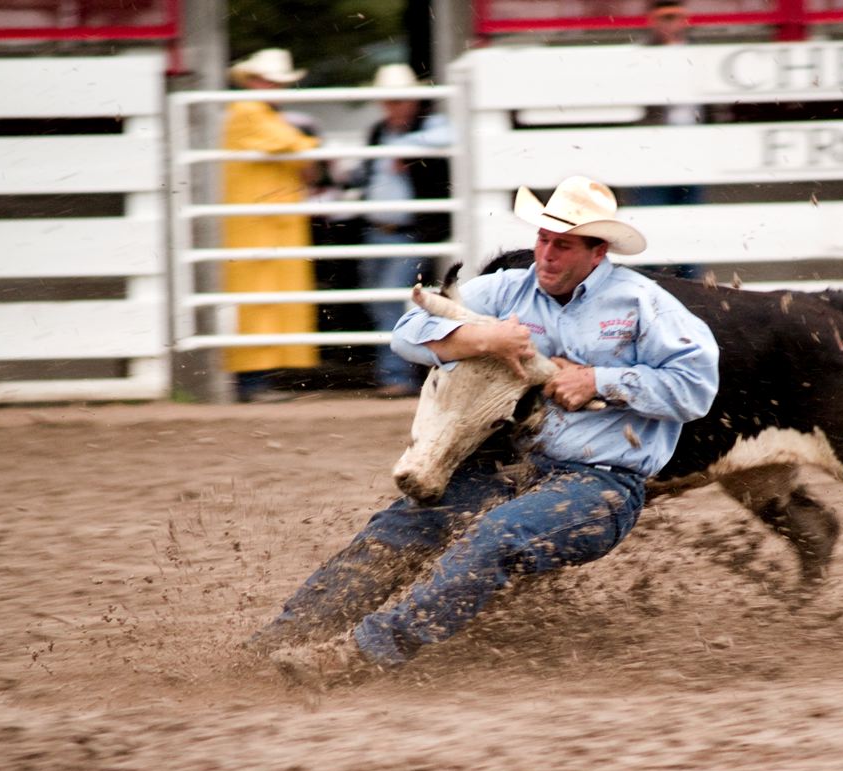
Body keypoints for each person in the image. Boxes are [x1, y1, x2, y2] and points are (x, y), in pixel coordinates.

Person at [255, 175, 721, 686]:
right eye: (543, 238)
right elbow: (408, 334)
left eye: (562, 244)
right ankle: (274, 646)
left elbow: (696, 388)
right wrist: (483, 337)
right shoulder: (507, 290)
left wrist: (598, 380)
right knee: (396, 532)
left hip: (601, 483)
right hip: (511, 466)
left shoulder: (641, 304)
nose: (545, 253)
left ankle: (358, 657)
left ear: (597, 251)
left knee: (496, 536)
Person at [221, 48, 321, 402]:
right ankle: (251, 383)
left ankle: (259, 381)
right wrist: (310, 146)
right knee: (257, 301)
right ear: (252, 81)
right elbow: (292, 144)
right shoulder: (248, 110)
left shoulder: (259, 113)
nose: (275, 87)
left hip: (267, 222)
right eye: (269, 81)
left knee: (267, 300)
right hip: (257, 224)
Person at [348, 63, 453, 398]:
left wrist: (404, 147)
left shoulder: (426, 128)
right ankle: (395, 372)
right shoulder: (380, 131)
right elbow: (368, 173)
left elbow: (448, 136)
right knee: (380, 300)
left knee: (392, 298)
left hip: (410, 230)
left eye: (399, 99)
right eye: (389, 100)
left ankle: (396, 375)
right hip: (377, 228)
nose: (393, 106)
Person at [634, 0, 707, 280]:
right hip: (655, 152)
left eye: (677, 17)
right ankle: (651, 282)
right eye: (665, 17)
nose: (671, 24)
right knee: (651, 223)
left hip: (695, 149)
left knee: (692, 224)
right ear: (652, 19)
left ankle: (691, 286)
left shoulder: (699, 54)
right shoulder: (642, 56)